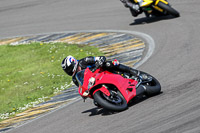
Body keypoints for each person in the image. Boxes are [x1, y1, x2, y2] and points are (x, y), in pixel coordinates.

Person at [61, 55, 147, 87]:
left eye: (69, 69)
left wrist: (99, 61)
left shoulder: (83, 61)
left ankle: (134, 72)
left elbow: (99, 58)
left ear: (73, 63)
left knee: (110, 64)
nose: (69, 71)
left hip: (102, 71)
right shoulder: (75, 79)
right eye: (67, 70)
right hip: (95, 82)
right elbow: (82, 87)